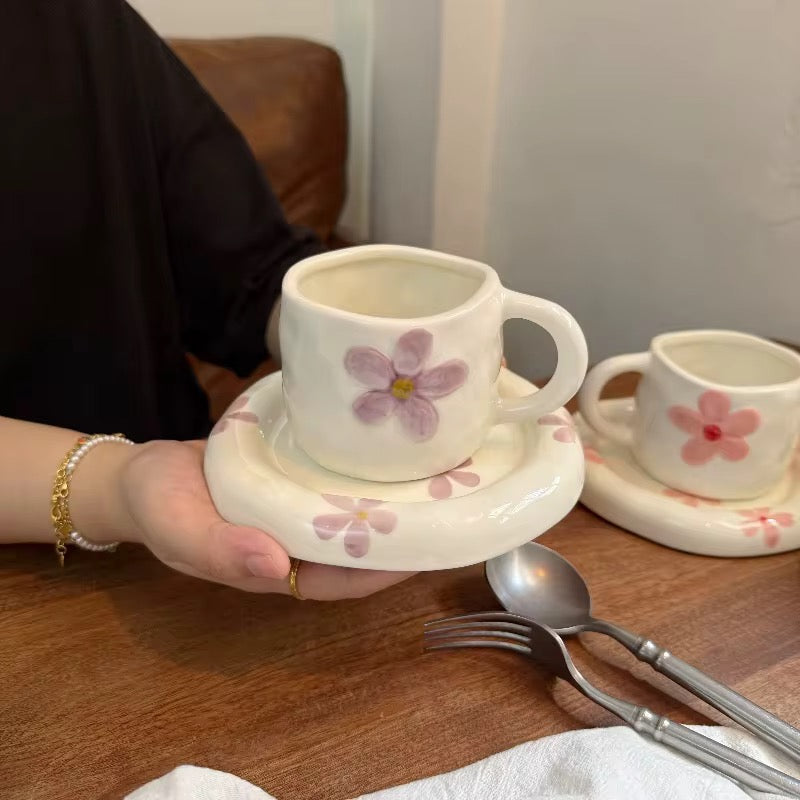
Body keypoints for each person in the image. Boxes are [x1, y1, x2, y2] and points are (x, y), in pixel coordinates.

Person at [0, 0, 414, 600]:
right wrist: (116, 486)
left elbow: (252, 268)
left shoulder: (77, 21)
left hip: (190, 530)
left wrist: (370, 334)